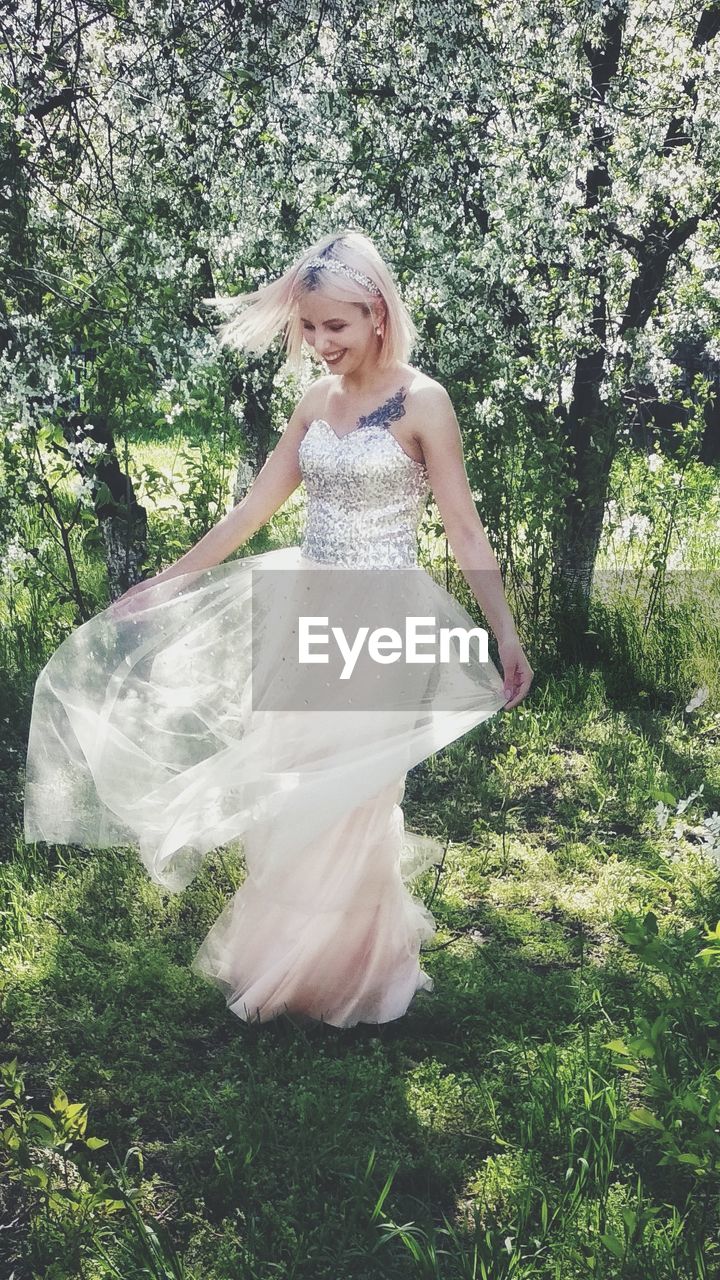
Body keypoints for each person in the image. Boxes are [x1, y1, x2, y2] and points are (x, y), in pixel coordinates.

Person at [23, 229, 533, 1029]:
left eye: (336, 325)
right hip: (301, 611)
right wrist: (169, 581)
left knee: (358, 794)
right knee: (292, 794)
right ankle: (289, 969)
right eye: (309, 327)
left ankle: (357, 978)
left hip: (384, 624)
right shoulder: (313, 406)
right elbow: (254, 509)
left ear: (375, 314)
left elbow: (465, 531)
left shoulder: (424, 402)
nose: (321, 343)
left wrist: (504, 632)